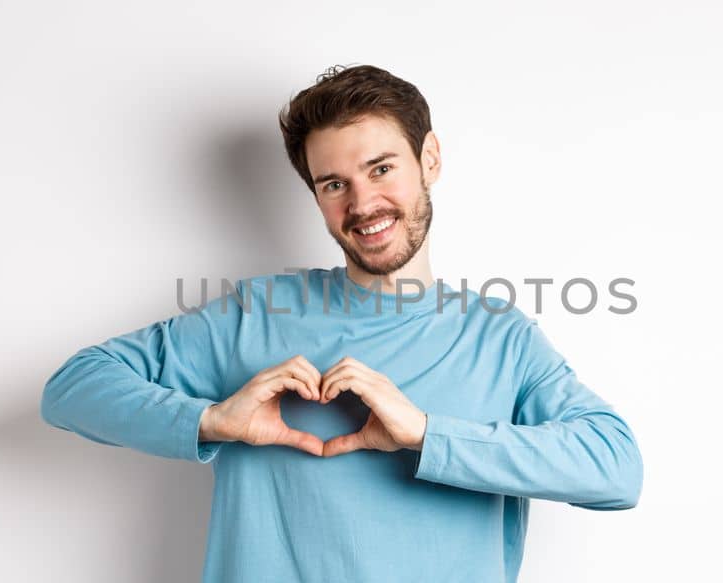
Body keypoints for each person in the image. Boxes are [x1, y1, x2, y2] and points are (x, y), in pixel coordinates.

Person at [40, 64, 643, 583]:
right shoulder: (255, 314)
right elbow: (72, 388)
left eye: (381, 169)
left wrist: (426, 434)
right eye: (335, 184)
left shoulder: (499, 338)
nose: (362, 204)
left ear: (429, 159)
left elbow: (616, 469)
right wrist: (213, 421)